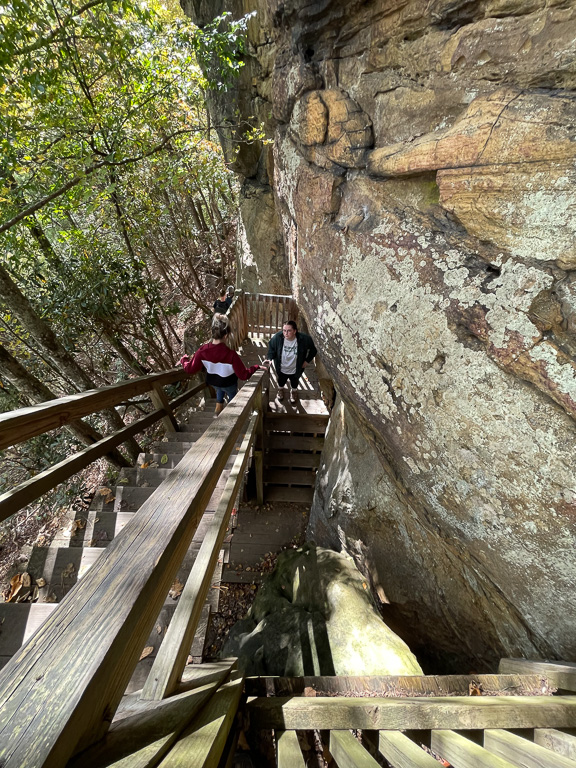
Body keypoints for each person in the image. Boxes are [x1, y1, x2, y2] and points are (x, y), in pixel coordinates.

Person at [180, 314, 266, 414]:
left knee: (219, 388)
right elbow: (243, 375)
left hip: (213, 382)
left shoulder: (201, 352)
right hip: (229, 383)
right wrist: (257, 367)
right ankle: (230, 411)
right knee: (232, 395)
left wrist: (184, 360)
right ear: (225, 335)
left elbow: (189, 369)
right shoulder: (231, 355)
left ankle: (219, 405)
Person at [266, 320, 317, 404]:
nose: (286, 333)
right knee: (281, 380)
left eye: (289, 331)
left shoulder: (303, 339)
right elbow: (271, 349)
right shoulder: (277, 337)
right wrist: (269, 358)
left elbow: (313, 350)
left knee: (295, 381)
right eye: (284, 330)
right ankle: (280, 390)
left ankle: (293, 392)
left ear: (294, 331)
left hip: (296, 367)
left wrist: (307, 361)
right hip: (281, 367)